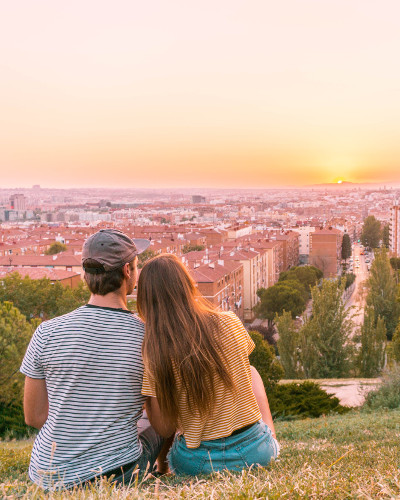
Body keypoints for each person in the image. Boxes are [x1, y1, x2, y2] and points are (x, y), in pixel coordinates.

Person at [20, 229, 166, 490]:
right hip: (115, 473)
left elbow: (34, 417)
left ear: (86, 275)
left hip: (49, 475)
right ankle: (163, 469)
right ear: (127, 272)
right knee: (154, 425)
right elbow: (163, 423)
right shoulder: (147, 337)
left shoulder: (47, 332)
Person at [137, 253, 279, 476]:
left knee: (163, 395)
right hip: (256, 454)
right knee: (251, 372)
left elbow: (165, 427)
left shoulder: (155, 350)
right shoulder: (229, 321)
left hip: (197, 463)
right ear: (187, 286)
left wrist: (148, 399)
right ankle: (269, 438)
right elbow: (240, 373)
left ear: (146, 299)